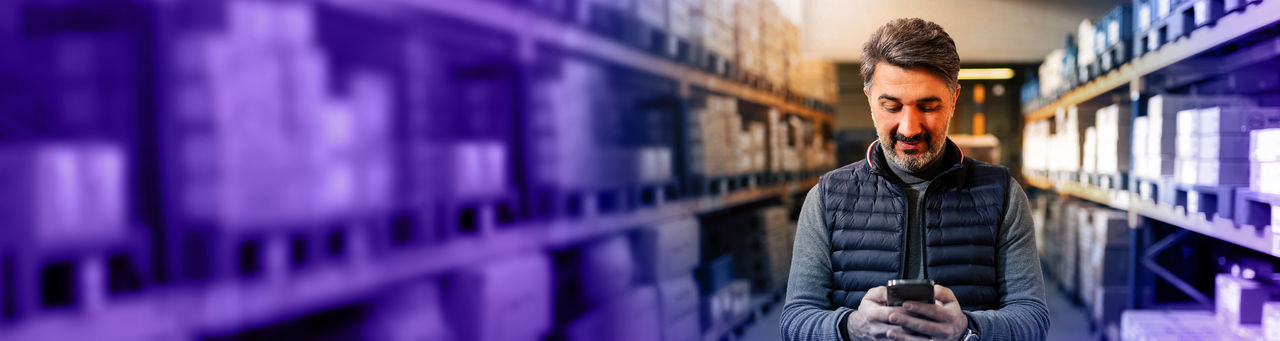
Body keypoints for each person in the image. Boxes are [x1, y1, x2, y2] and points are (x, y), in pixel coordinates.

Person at [780, 18, 1049, 341]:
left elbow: (1032, 317)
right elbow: (795, 320)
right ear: (869, 100)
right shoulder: (826, 198)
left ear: (953, 100)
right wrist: (851, 328)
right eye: (891, 106)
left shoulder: (1002, 195)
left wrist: (968, 328)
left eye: (928, 106)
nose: (909, 127)